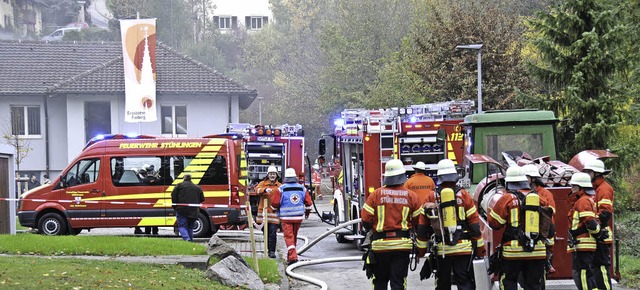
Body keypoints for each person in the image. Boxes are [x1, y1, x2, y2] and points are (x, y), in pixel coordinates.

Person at [360, 159, 425, 290]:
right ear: (402, 175)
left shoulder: (376, 195)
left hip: (380, 246)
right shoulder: (411, 196)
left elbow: (365, 219)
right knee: (398, 283)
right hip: (402, 246)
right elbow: (420, 222)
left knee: (379, 282)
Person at [422, 159, 484, 290]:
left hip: (442, 248)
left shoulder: (431, 196)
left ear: (439, 177)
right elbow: (474, 224)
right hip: (463, 247)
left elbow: (423, 226)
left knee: (443, 281)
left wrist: (421, 249)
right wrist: (479, 248)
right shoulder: (465, 195)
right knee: (463, 279)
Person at [487, 166, 547, 290]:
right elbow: (548, 224)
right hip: (537, 249)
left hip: (513, 251)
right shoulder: (539, 198)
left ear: (508, 182)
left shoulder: (507, 198)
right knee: (534, 284)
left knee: (508, 281)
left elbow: (495, 223)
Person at [567, 172, 603, 290]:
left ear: (581, 187)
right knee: (588, 273)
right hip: (584, 243)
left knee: (583, 273)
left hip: (582, 243)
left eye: (574, 186)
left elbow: (590, 222)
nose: (571, 188)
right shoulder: (587, 199)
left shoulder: (583, 201)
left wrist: (599, 233)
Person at [582, 159, 614, 290]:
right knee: (596, 269)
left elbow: (605, 213)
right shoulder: (596, 188)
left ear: (596, 173)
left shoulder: (604, 189)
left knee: (601, 269)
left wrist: (594, 223)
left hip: (602, 234)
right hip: (597, 234)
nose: (586, 174)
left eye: (589, 172)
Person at [270, 168, 312, 265]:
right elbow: (309, 203)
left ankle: (293, 257)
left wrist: (273, 209)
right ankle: (290, 258)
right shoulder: (302, 188)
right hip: (298, 218)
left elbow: (275, 203)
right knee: (294, 237)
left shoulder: (281, 189)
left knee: (289, 237)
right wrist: (307, 213)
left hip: (286, 218)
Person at [523, 163, 557, 277]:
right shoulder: (523, 192)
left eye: (526, 177)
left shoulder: (545, 193)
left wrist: (536, 200)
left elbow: (551, 210)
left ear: (533, 179)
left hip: (544, 231)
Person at [255, 166, 282, 258]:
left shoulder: (280, 186)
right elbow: (257, 190)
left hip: (274, 214)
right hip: (264, 213)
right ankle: (267, 249)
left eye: (274, 174)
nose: (272, 176)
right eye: (270, 174)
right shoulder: (263, 184)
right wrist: (264, 190)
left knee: (273, 233)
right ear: (268, 175)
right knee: (265, 233)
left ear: (276, 175)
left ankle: (272, 252)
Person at [171, 173, 205, 242]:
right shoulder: (197, 187)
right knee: (190, 227)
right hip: (194, 210)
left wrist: (175, 206)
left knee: (182, 226)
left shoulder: (179, 186)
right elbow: (202, 199)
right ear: (190, 179)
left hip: (181, 210)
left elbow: (173, 196)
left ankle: (187, 239)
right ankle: (190, 241)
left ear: (184, 178)